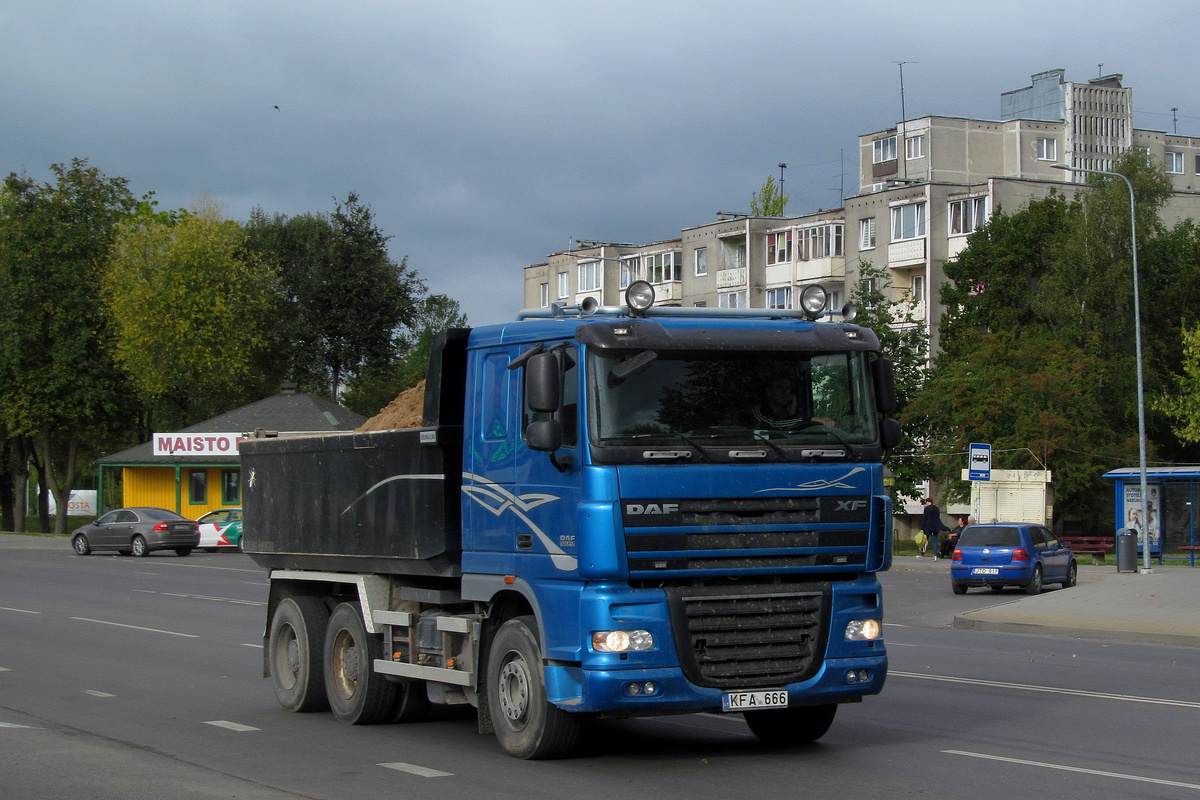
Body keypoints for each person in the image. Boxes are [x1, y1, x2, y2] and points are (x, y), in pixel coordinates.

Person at [752, 377, 832, 429]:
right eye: (779, 388)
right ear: (768, 391)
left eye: (787, 389)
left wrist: (792, 412)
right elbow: (772, 425)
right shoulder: (758, 410)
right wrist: (812, 420)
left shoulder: (786, 411)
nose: (785, 393)